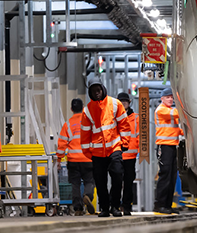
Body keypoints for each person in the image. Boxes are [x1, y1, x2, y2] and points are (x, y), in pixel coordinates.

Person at [83, 74, 132, 218]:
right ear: (90, 93)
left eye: (98, 89)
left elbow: (124, 125)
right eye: (93, 90)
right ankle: (104, 208)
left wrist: (124, 143)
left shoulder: (115, 104)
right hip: (97, 152)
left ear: (103, 89)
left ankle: (115, 206)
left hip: (114, 148)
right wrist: (87, 152)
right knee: (100, 182)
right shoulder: (88, 110)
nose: (96, 92)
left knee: (117, 177)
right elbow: (85, 133)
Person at [56, 99, 95, 216]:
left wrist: (59, 159)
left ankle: (78, 208)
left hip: (73, 160)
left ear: (71, 109)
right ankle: (87, 196)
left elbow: (62, 143)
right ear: (83, 108)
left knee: (75, 184)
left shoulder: (67, 124)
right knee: (89, 181)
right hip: (88, 159)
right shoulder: (89, 123)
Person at [153, 88, 182, 215]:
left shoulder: (171, 111)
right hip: (163, 146)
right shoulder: (161, 110)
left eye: (172, 97)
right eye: (168, 97)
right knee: (165, 175)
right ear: (162, 98)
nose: (170, 99)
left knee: (172, 176)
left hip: (172, 146)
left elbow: (177, 129)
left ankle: (168, 205)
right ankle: (159, 205)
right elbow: (177, 114)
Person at [116, 92, 139, 215]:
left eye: (125, 102)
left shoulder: (136, 118)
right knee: (117, 182)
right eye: (121, 102)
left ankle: (127, 207)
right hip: (117, 155)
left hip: (130, 156)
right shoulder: (113, 118)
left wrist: (142, 152)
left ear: (129, 103)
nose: (124, 104)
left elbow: (141, 136)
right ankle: (115, 206)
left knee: (128, 183)